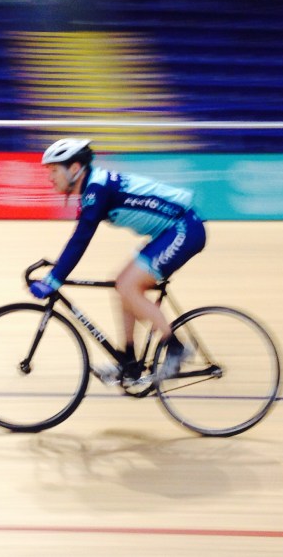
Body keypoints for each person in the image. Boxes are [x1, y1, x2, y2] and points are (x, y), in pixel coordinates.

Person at [28, 138, 207, 385]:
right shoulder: (93, 187)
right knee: (122, 283)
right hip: (169, 231)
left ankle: (176, 347)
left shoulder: (96, 189)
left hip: (184, 229)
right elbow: (78, 237)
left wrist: (54, 278)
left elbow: (81, 238)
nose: (50, 177)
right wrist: (57, 271)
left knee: (128, 286)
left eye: (54, 170)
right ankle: (128, 362)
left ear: (75, 168)